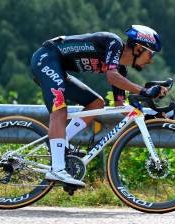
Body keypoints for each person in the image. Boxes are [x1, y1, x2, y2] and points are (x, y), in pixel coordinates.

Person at [31, 25, 168, 187]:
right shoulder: (114, 43)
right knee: (60, 109)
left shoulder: (120, 70)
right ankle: (57, 169)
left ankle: (62, 142)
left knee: (96, 103)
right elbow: (112, 77)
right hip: (46, 58)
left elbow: (120, 105)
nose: (151, 60)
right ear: (138, 48)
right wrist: (144, 91)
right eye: (150, 54)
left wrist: (148, 118)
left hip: (58, 67)